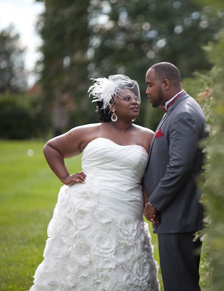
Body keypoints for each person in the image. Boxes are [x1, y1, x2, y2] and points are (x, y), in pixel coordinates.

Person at [30, 75, 160, 290]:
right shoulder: (88, 131)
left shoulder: (148, 137)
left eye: (136, 98)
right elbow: (51, 148)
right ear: (112, 105)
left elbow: (148, 176)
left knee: (124, 266)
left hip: (126, 209)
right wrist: (65, 177)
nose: (135, 101)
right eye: (127, 99)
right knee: (84, 264)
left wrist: (149, 205)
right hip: (87, 209)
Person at [142, 61, 207, 291]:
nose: (147, 91)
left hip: (179, 217)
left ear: (166, 83)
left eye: (150, 85)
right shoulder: (177, 109)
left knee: (180, 285)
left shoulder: (183, 113)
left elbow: (179, 166)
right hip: (175, 217)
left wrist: (154, 203)